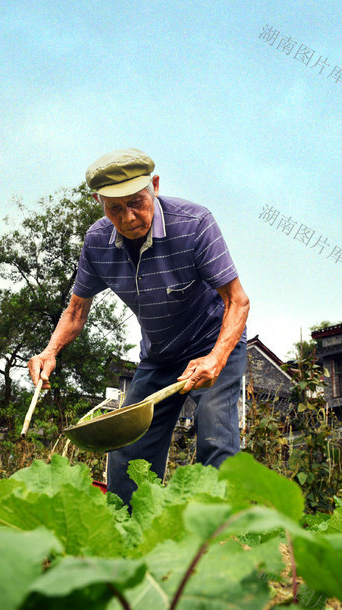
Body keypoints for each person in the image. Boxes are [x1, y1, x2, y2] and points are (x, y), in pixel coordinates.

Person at [28, 148, 250, 509]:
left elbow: (237, 300)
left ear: (155, 187)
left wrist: (216, 357)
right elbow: (75, 310)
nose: (129, 217)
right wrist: (49, 352)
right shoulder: (97, 242)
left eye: (137, 203)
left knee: (215, 438)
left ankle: (218, 540)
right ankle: (128, 538)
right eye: (115, 208)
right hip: (159, 357)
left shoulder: (194, 224)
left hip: (213, 343)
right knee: (127, 448)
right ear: (100, 202)